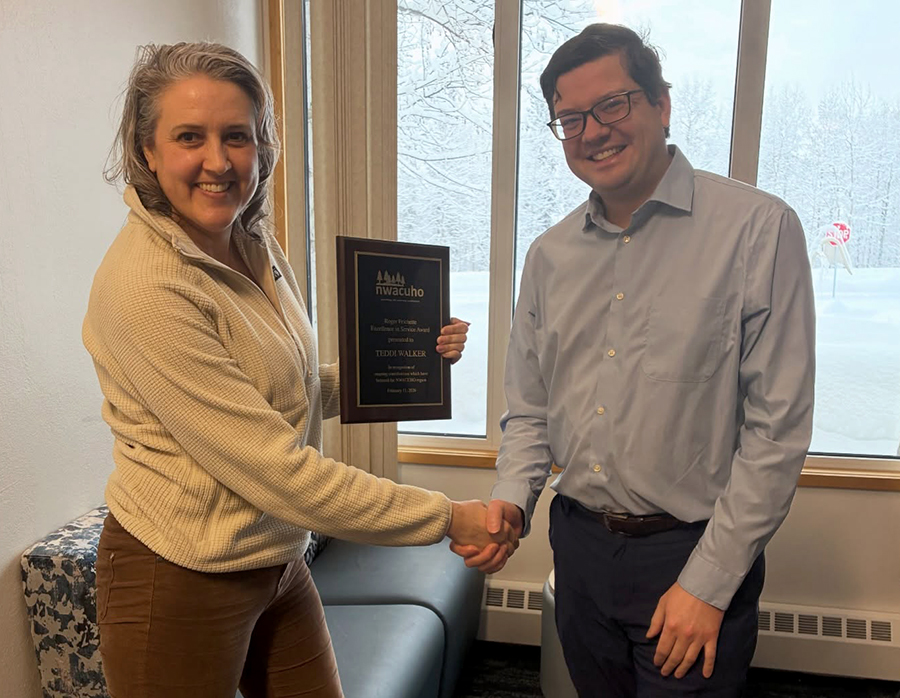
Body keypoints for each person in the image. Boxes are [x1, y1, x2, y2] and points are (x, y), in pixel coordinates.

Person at [84, 42, 514, 698]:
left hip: (274, 559)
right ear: (148, 151)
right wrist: (450, 517)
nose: (219, 162)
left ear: (263, 145)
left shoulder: (249, 239)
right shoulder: (148, 287)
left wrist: (398, 367)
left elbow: (284, 388)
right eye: (189, 137)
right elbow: (277, 470)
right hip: (178, 575)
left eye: (238, 136)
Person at [453, 23, 815, 697]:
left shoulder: (759, 231)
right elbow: (531, 411)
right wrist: (510, 503)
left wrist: (707, 586)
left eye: (613, 105)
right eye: (570, 118)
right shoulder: (548, 257)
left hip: (690, 552)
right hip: (580, 549)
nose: (592, 131)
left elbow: (777, 434)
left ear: (661, 104)